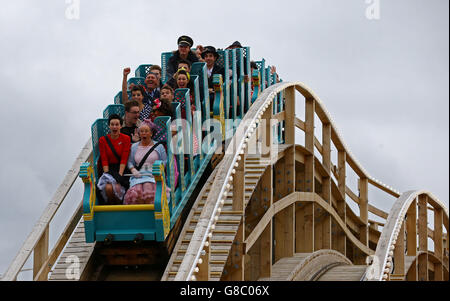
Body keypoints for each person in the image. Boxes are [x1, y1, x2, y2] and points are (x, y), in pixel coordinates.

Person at [124, 120, 168, 205]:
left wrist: (158, 169)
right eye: (141, 131)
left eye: (146, 131)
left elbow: (165, 161)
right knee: (137, 193)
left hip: (154, 175)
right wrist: (133, 170)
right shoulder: (134, 147)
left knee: (148, 187)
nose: (144, 133)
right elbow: (130, 162)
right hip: (138, 176)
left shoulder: (159, 146)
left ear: (151, 133)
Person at [97, 114, 131, 205]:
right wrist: (108, 175)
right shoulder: (103, 140)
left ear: (120, 126)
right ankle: (112, 206)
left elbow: (124, 157)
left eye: (117, 124)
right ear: (109, 126)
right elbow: (104, 159)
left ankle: (119, 206)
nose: (114, 127)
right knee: (108, 188)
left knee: (117, 187)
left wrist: (119, 175)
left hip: (122, 169)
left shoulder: (126, 138)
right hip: (109, 169)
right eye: (112, 124)